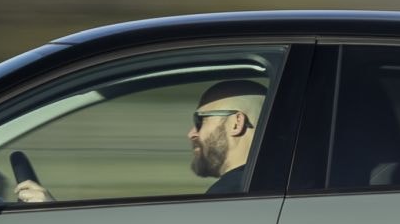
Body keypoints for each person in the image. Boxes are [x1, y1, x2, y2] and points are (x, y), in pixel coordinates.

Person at [14, 78, 266, 203]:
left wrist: (55, 216)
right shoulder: (252, 188)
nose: (191, 133)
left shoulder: (230, 195)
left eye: (200, 120)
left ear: (236, 123)